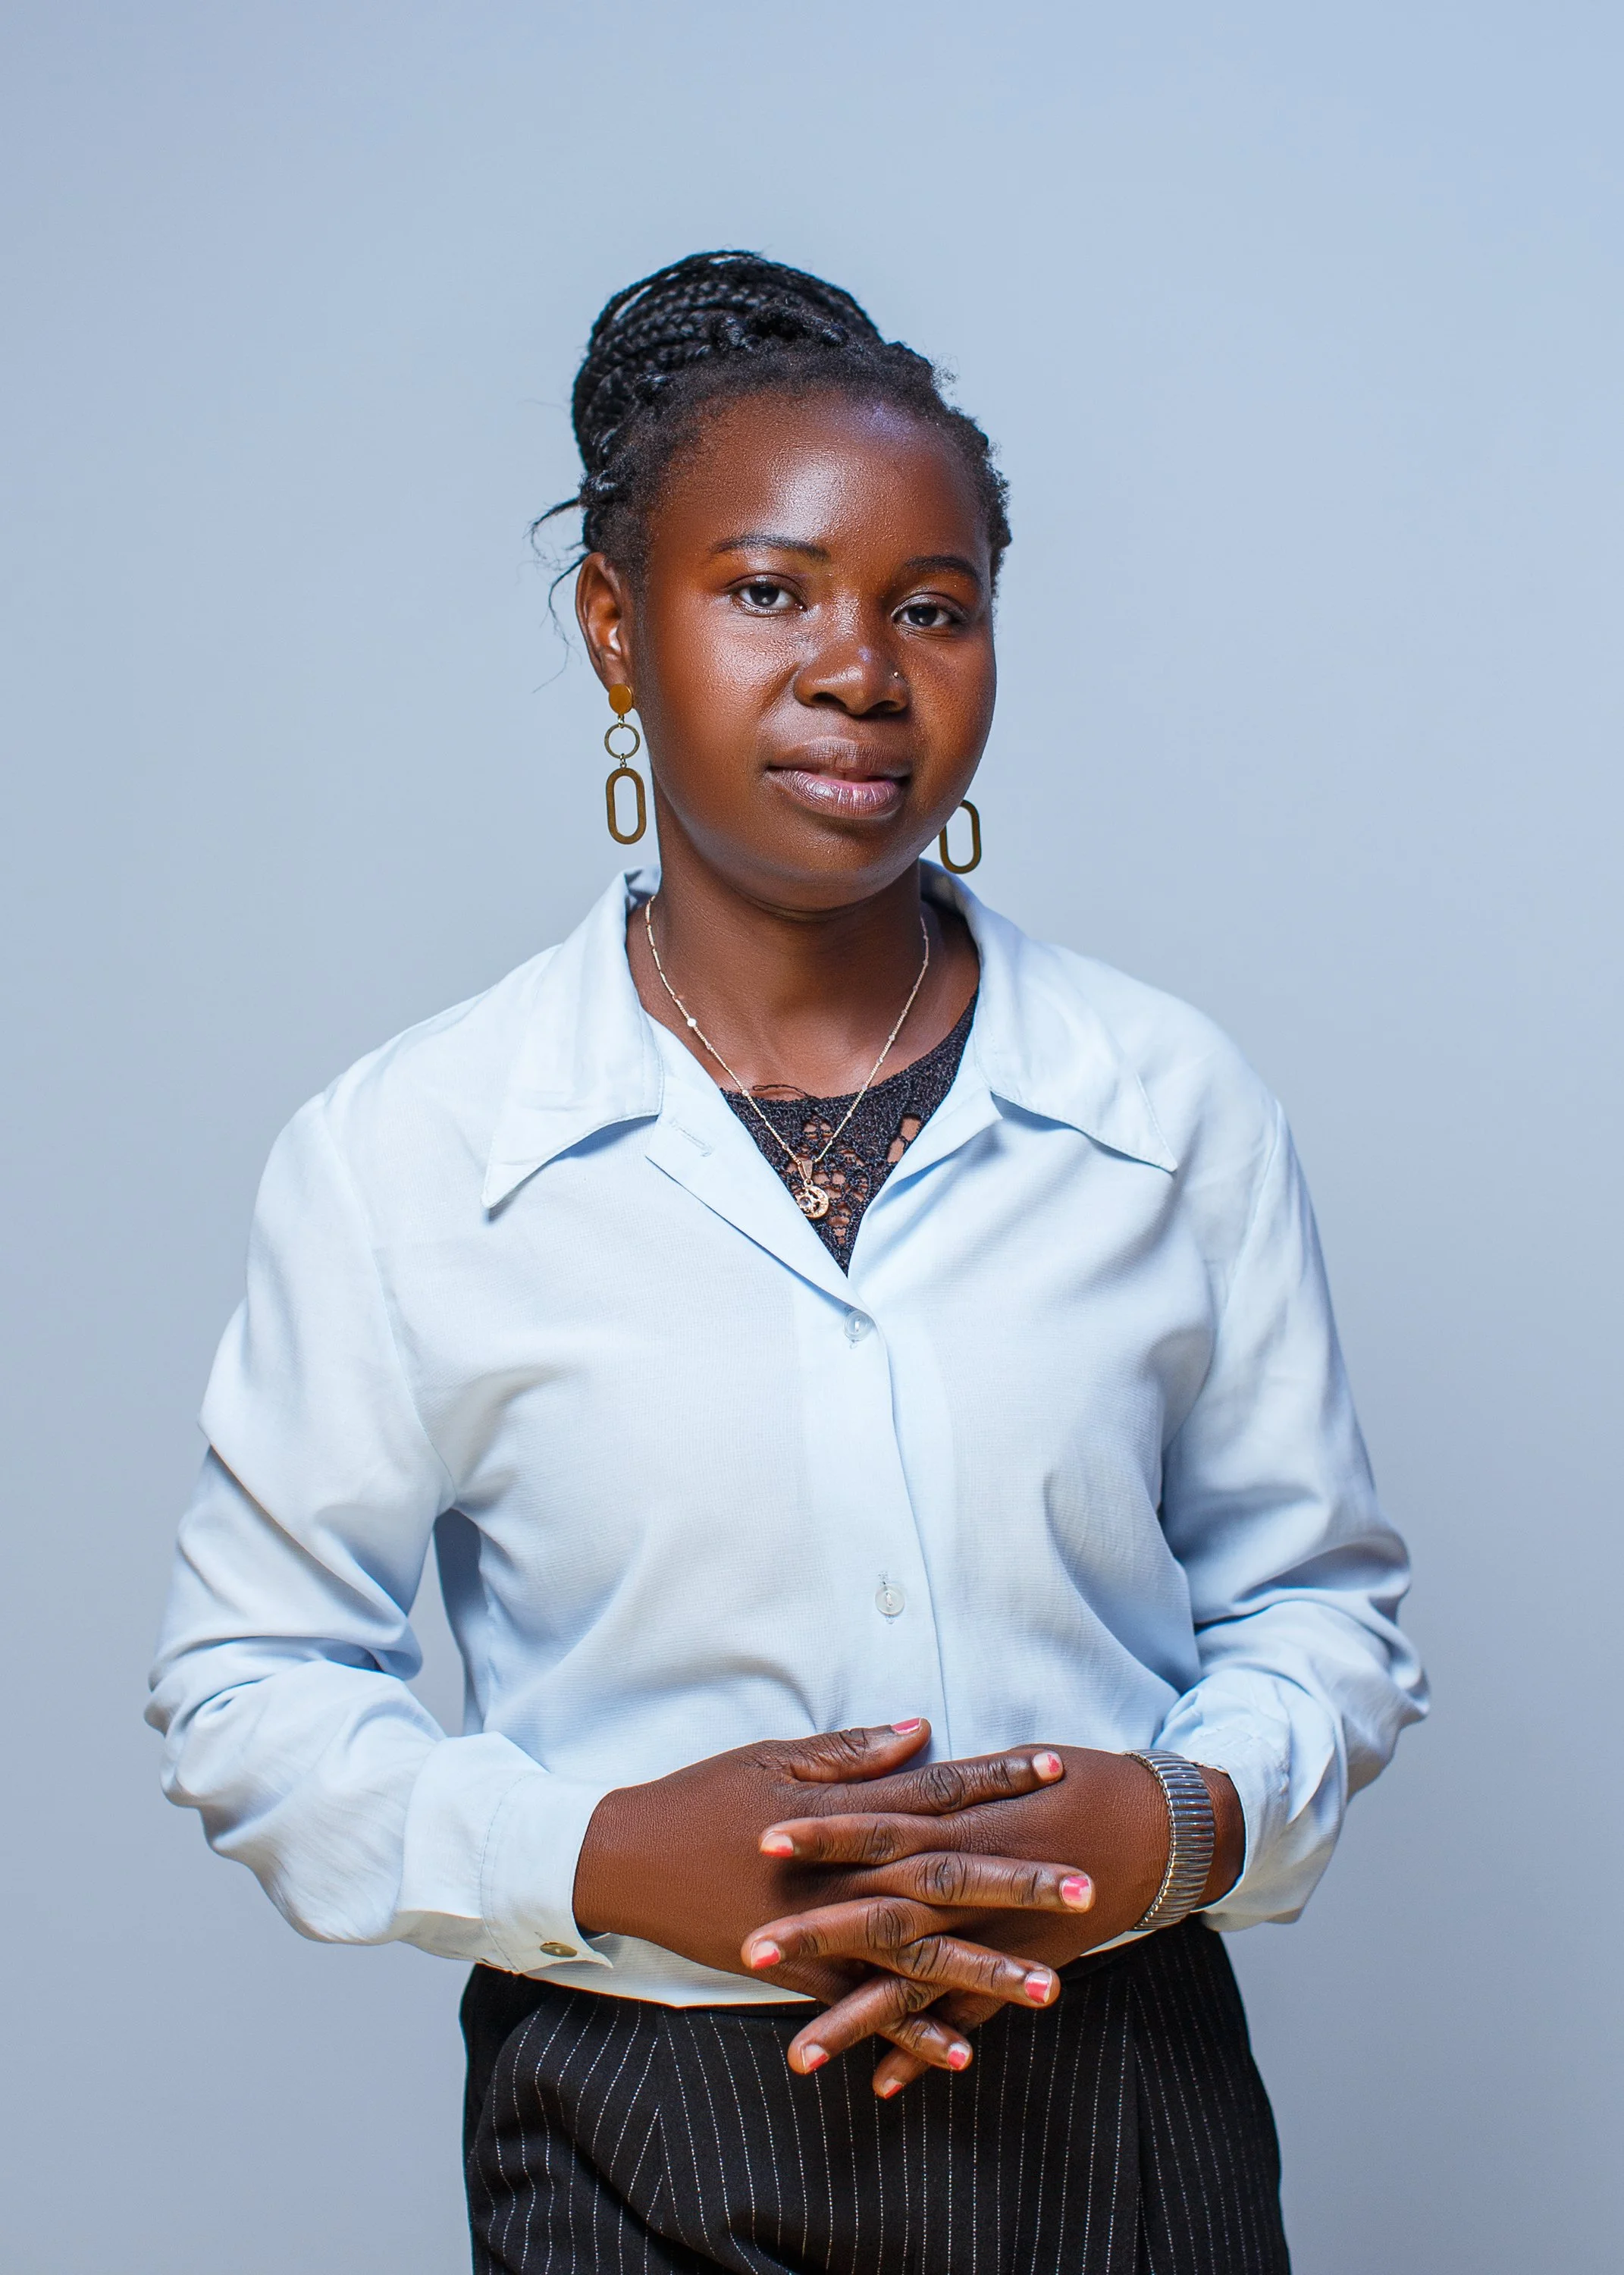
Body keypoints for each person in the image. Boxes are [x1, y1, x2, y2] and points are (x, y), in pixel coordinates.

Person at [148, 251, 1427, 2273]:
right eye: (769, 591)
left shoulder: (1165, 1105)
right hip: (640, 2117)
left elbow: (1320, 1607)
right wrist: (594, 1849)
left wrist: (1173, 1824)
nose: (859, 669)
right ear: (611, 631)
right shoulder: (413, 1153)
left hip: (1119, 2105)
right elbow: (248, 1682)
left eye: (933, 607)